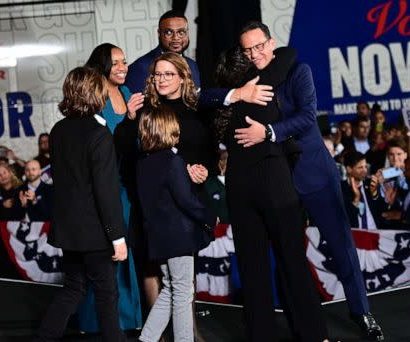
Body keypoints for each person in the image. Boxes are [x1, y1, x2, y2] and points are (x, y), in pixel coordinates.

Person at [233, 21, 384, 340]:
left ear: (271, 44)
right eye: (248, 49)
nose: (255, 53)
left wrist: (270, 132)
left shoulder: (298, 71)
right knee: (287, 254)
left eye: (259, 46)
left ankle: (362, 311)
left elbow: (306, 116)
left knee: (340, 244)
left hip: (312, 172)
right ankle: (299, 321)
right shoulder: (248, 83)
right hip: (277, 180)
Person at [215, 45, 328, 342]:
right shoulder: (263, 88)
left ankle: (260, 334)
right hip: (274, 181)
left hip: (239, 184)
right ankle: (313, 334)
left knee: (252, 269)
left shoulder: (221, 105)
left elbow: (201, 98)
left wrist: (234, 94)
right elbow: (288, 53)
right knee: (292, 262)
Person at [37, 66, 127, 341]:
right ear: (96, 92)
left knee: (73, 290)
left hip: (68, 230)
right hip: (96, 231)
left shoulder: (58, 130)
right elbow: (106, 190)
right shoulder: (99, 134)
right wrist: (118, 237)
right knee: (106, 298)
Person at [136, 106, 215, 342]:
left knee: (170, 289)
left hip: (159, 238)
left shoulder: (144, 162)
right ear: (170, 128)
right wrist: (211, 218)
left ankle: (147, 338)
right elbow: (186, 201)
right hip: (178, 237)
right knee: (182, 292)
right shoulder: (173, 161)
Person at [81, 42, 143, 333]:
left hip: (129, 184)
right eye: (115, 62)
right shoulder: (93, 98)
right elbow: (98, 143)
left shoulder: (128, 93)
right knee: (109, 253)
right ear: (102, 66)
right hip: (106, 187)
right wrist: (129, 121)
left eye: (124, 61)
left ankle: (130, 320)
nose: (123, 67)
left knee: (128, 250)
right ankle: (103, 322)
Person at [124, 10, 272, 115]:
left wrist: (236, 94)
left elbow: (198, 100)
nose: (176, 38)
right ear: (159, 33)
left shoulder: (191, 64)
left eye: (181, 32)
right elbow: (136, 115)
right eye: (169, 32)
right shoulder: (141, 67)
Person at [0, 162, 24, 279]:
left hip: (18, 236)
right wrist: (2, 206)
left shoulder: (21, 189)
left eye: (4, 172)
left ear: (10, 173)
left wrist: (23, 205)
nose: (3, 176)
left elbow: (23, 213)